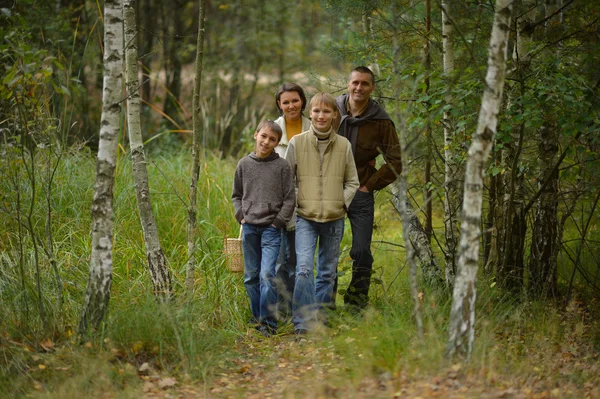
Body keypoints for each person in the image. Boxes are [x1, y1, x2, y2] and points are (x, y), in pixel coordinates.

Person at [285, 93, 359, 334]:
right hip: (305, 218)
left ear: (334, 115)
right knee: (304, 269)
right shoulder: (297, 143)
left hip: (334, 218)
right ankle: (303, 325)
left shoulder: (344, 145)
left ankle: (322, 320)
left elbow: (352, 183)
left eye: (326, 111)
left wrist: (341, 204)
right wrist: (297, 205)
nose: (321, 115)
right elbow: (288, 181)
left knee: (327, 272)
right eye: (316, 111)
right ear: (311, 114)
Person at [335, 66, 403, 310]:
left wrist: (369, 185)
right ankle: (324, 305)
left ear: (372, 88)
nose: (359, 88)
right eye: (355, 82)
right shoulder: (332, 110)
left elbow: (395, 161)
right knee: (329, 250)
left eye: (365, 84)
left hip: (360, 192)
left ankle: (356, 303)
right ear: (348, 83)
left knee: (361, 250)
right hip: (330, 191)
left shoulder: (380, 120)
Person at [232, 120, 295, 337]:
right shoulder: (243, 165)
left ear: (277, 143)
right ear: (255, 134)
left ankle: (268, 324)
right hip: (249, 227)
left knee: (267, 274)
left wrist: (278, 222)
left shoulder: (282, 167)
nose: (267, 142)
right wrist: (241, 215)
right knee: (251, 276)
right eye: (264, 136)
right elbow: (236, 195)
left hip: (271, 229)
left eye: (273, 139)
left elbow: (289, 198)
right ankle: (257, 317)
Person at [273, 83, 311, 320]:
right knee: (280, 261)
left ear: (303, 101)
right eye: (285, 102)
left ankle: (303, 311)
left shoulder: (313, 125)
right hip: (277, 203)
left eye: (295, 100)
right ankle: (280, 311)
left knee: (301, 260)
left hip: (307, 202)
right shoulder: (273, 129)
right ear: (279, 104)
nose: (291, 106)